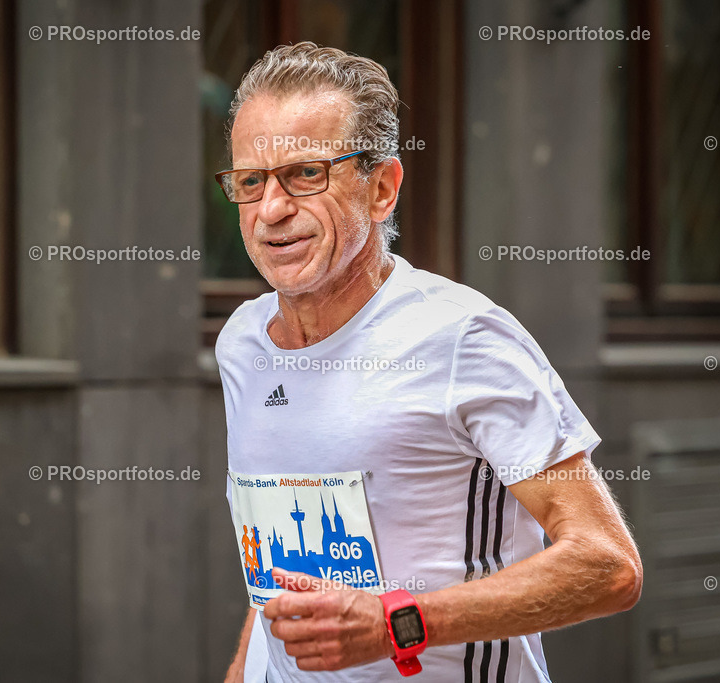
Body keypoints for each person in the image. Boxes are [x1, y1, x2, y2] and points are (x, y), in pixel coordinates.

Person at [214, 42, 642, 683]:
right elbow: (275, 565)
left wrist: (398, 624)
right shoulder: (242, 344)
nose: (271, 210)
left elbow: (607, 565)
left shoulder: (463, 337)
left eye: (306, 174)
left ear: (382, 188)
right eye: (251, 181)